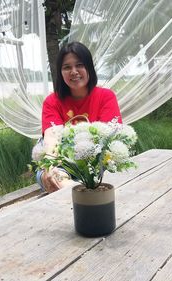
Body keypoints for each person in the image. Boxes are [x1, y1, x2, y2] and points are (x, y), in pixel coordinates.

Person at [36, 41, 122, 193]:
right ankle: (81, 193)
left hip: (96, 162)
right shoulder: (52, 101)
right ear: (60, 72)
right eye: (67, 67)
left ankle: (79, 193)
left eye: (79, 65)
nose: (73, 71)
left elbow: (109, 137)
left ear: (89, 67)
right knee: (51, 176)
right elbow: (51, 137)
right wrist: (49, 166)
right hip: (63, 163)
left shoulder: (106, 97)